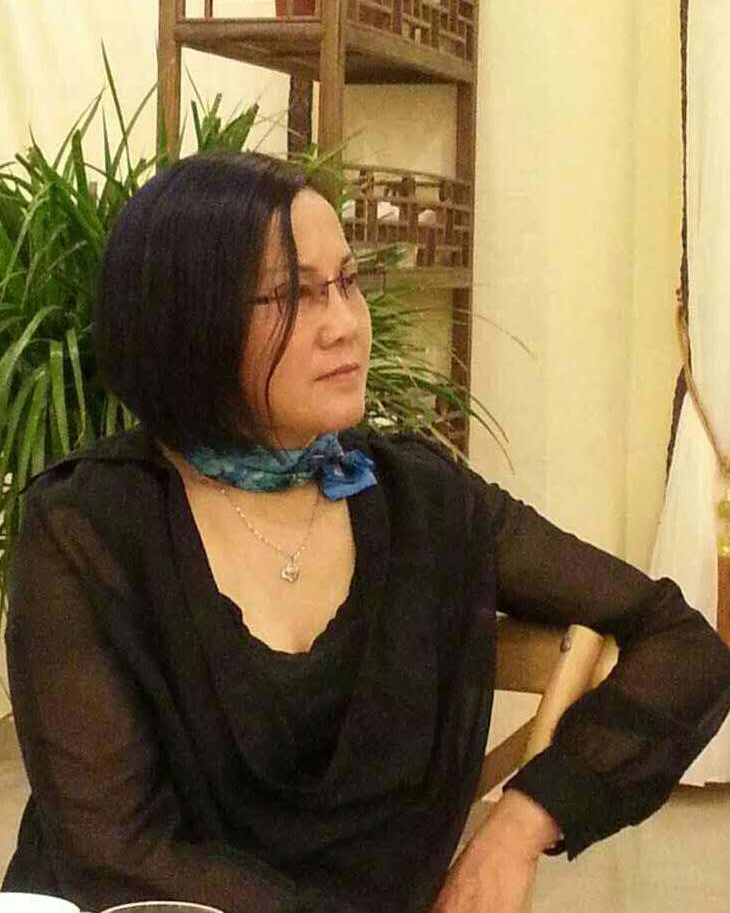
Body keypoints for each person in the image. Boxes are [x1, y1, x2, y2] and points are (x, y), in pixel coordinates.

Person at [3, 151, 730, 913]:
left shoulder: (424, 501)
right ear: (188, 320)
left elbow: (683, 643)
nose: (346, 325)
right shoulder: (91, 524)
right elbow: (117, 853)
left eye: (348, 283)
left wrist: (522, 820)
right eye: (292, 296)